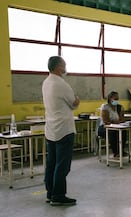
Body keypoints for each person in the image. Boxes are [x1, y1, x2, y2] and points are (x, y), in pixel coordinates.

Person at [42, 56, 79, 206]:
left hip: (50, 128)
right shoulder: (61, 83)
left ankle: (50, 193)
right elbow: (73, 103)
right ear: (58, 67)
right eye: (64, 65)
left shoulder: (46, 82)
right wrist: (77, 100)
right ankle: (58, 195)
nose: (65, 68)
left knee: (51, 163)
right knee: (62, 164)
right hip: (64, 128)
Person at [98, 91, 127, 158]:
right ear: (110, 99)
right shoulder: (105, 107)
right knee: (112, 132)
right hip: (104, 127)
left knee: (123, 131)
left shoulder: (120, 107)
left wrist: (118, 122)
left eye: (117, 99)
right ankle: (115, 152)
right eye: (115, 99)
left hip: (117, 126)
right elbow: (106, 121)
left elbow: (122, 119)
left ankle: (121, 150)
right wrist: (114, 122)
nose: (116, 100)